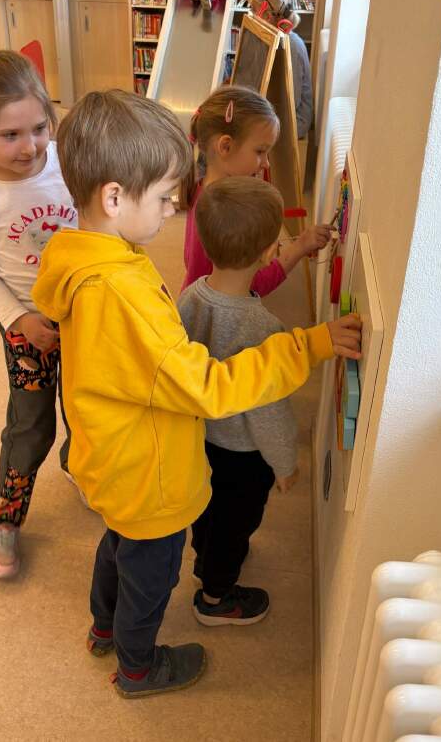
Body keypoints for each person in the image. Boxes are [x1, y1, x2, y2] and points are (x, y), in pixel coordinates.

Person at [31, 89, 362, 698]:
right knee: (151, 575)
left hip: (113, 460)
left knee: (117, 546)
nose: (171, 212)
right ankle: (137, 667)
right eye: (163, 198)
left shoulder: (90, 260)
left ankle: (103, 626)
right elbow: (208, 387)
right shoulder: (121, 294)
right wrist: (308, 345)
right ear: (113, 198)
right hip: (146, 474)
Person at [0, 50, 77, 580]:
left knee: (88, 409)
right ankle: (3, 518)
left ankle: (80, 466)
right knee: (31, 427)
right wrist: (19, 320)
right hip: (25, 329)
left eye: (39, 128)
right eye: (10, 135)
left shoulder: (68, 162)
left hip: (85, 317)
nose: (30, 146)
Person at [179, 176, 304, 625]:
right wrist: (285, 463)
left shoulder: (190, 296)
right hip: (243, 454)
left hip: (197, 438)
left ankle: (205, 558)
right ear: (269, 252)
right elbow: (269, 411)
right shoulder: (264, 328)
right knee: (236, 524)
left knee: (207, 513)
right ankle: (216, 599)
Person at [182, 86, 329, 294]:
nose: (266, 163)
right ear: (225, 147)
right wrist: (300, 246)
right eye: (260, 151)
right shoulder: (223, 213)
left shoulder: (204, 191)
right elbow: (252, 286)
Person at [245, 0, 314, 139]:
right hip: (272, 109)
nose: (250, 15)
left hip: (293, 121)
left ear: (267, 16)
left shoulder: (291, 45)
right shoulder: (267, 37)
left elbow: (290, 103)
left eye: (253, 10)